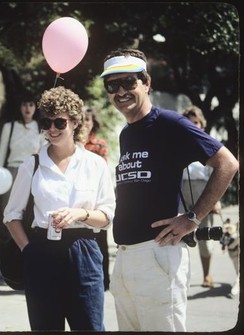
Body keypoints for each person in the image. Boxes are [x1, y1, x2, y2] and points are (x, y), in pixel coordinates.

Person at [100, 48, 239, 331]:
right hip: (125, 259)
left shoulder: (170, 123)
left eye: (129, 82)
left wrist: (192, 217)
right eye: (112, 85)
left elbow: (227, 163)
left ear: (146, 82)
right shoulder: (127, 133)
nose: (120, 91)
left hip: (158, 256)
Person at [3, 86, 116, 331]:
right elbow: (12, 215)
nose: (52, 129)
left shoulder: (95, 165)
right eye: (46, 122)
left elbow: (107, 216)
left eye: (59, 122)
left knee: (90, 326)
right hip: (42, 250)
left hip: (83, 250)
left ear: (75, 123)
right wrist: (29, 250)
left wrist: (80, 214)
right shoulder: (31, 165)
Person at [179, 105, 222, 288]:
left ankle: (207, 275)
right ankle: (182, 276)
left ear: (202, 124)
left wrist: (216, 199)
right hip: (181, 190)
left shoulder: (209, 143)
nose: (193, 125)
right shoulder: (176, 143)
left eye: (196, 122)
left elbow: (217, 173)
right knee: (180, 234)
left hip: (203, 191)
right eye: (189, 122)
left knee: (204, 235)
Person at [0, 94, 45, 207]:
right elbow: (2, 151)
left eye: (31, 105)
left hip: (32, 171)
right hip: (12, 171)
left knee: (29, 207)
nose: (27, 108)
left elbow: (43, 153)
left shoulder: (40, 128)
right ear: (19, 107)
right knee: (9, 205)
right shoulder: (9, 127)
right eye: (24, 105)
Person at [82, 105, 110, 291]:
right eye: (82, 119)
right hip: (80, 196)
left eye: (88, 120)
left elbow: (103, 170)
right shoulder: (72, 144)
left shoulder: (99, 144)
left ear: (94, 124)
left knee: (101, 240)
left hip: (95, 195)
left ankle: (104, 279)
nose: (85, 124)